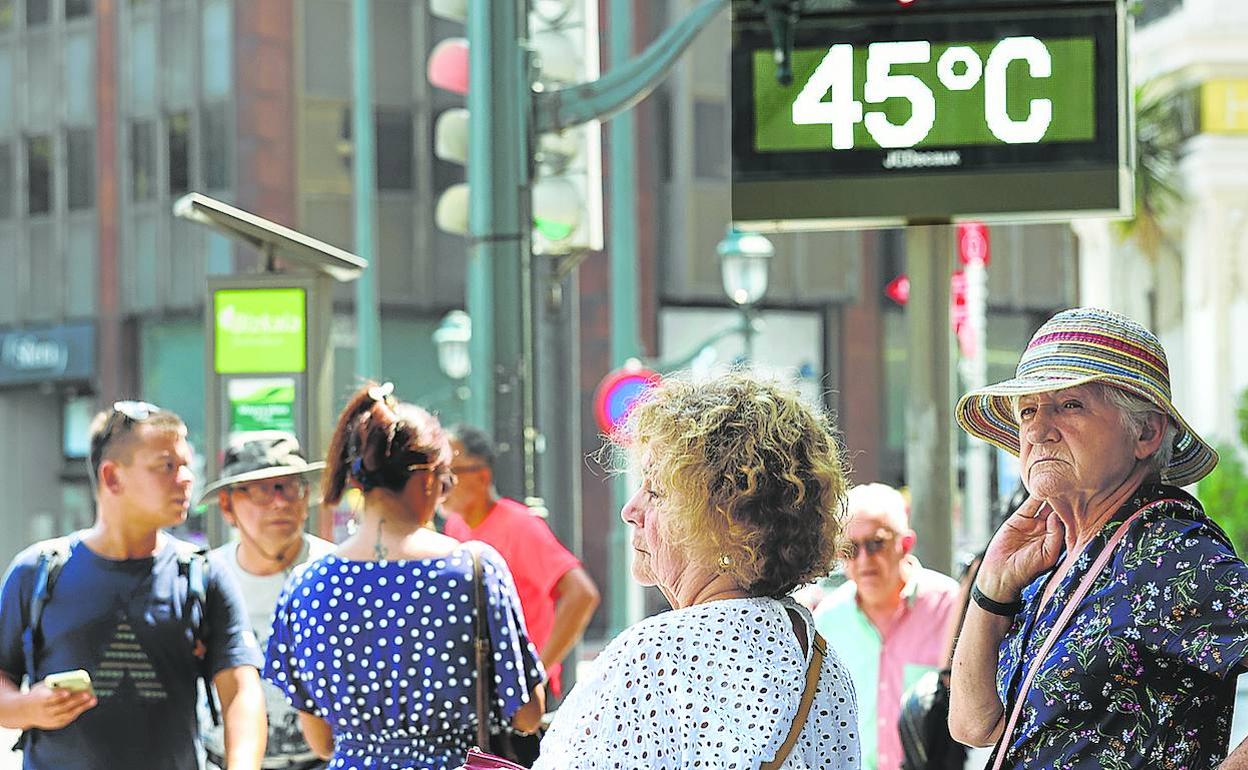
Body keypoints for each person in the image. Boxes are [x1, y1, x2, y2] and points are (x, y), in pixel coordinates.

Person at [948, 307, 1248, 770]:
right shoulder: (1051, 557)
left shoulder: (1173, 552)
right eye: (1029, 410)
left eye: (1070, 405)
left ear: (1145, 432)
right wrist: (993, 585)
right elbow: (972, 725)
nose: (1039, 429)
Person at [532, 371, 861, 769]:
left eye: (656, 490)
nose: (630, 510)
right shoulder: (825, 668)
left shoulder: (653, 657)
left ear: (729, 521)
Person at [265, 383, 545, 770]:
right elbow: (527, 715)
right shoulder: (475, 570)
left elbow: (321, 739)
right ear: (425, 476)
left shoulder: (307, 586)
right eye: (445, 478)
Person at [0, 400, 266, 770]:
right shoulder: (37, 572)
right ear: (112, 477)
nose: (186, 478)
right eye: (167, 466)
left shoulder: (202, 575)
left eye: (187, 464)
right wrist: (26, 708)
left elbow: (240, 691)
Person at [198, 431, 337, 769]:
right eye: (262, 490)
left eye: (289, 487)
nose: (280, 502)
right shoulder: (205, 578)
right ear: (228, 506)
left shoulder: (337, 575)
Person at [441, 425, 600, 702]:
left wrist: (536, 672)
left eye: (451, 471)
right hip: (485, 690)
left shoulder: (520, 526)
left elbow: (582, 594)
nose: (442, 482)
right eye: (437, 471)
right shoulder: (455, 526)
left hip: (524, 695)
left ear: (482, 476)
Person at [813, 484, 959, 770]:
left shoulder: (950, 608)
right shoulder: (826, 621)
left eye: (875, 543)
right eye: (850, 549)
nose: (864, 560)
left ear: (905, 544)